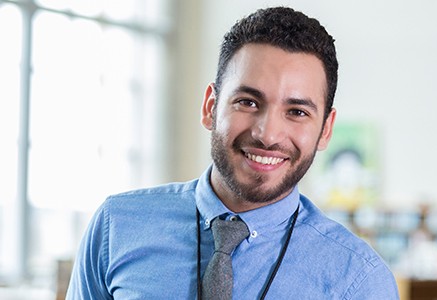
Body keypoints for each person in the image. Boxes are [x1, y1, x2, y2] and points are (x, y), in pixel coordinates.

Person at [67, 6, 400, 299]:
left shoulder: (358, 282)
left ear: (326, 129)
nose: (267, 134)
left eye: (297, 111)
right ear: (211, 107)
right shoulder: (118, 226)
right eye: (248, 102)